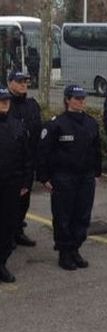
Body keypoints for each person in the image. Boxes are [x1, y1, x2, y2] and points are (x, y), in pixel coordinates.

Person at [37, 85, 102, 270]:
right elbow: (43, 152)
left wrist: (97, 172)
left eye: (83, 98)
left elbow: (96, 150)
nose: (81, 101)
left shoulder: (90, 122)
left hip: (86, 177)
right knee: (63, 216)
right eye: (77, 98)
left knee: (82, 216)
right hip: (64, 177)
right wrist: (44, 177)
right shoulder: (56, 124)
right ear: (67, 100)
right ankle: (64, 252)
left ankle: (75, 249)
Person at [0, 86, 32, 282]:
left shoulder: (17, 126)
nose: (4, 103)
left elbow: (26, 157)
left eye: (6, 100)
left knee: (8, 225)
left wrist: (25, 181)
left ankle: (1, 262)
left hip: (11, 184)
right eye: (1, 100)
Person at [7, 70, 41, 247]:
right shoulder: (5, 103)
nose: (23, 85)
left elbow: (38, 131)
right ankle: (7, 234)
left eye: (26, 82)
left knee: (24, 199)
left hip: (28, 161)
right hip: (10, 162)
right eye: (19, 81)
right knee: (7, 202)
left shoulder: (31, 105)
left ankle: (18, 231)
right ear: (10, 82)